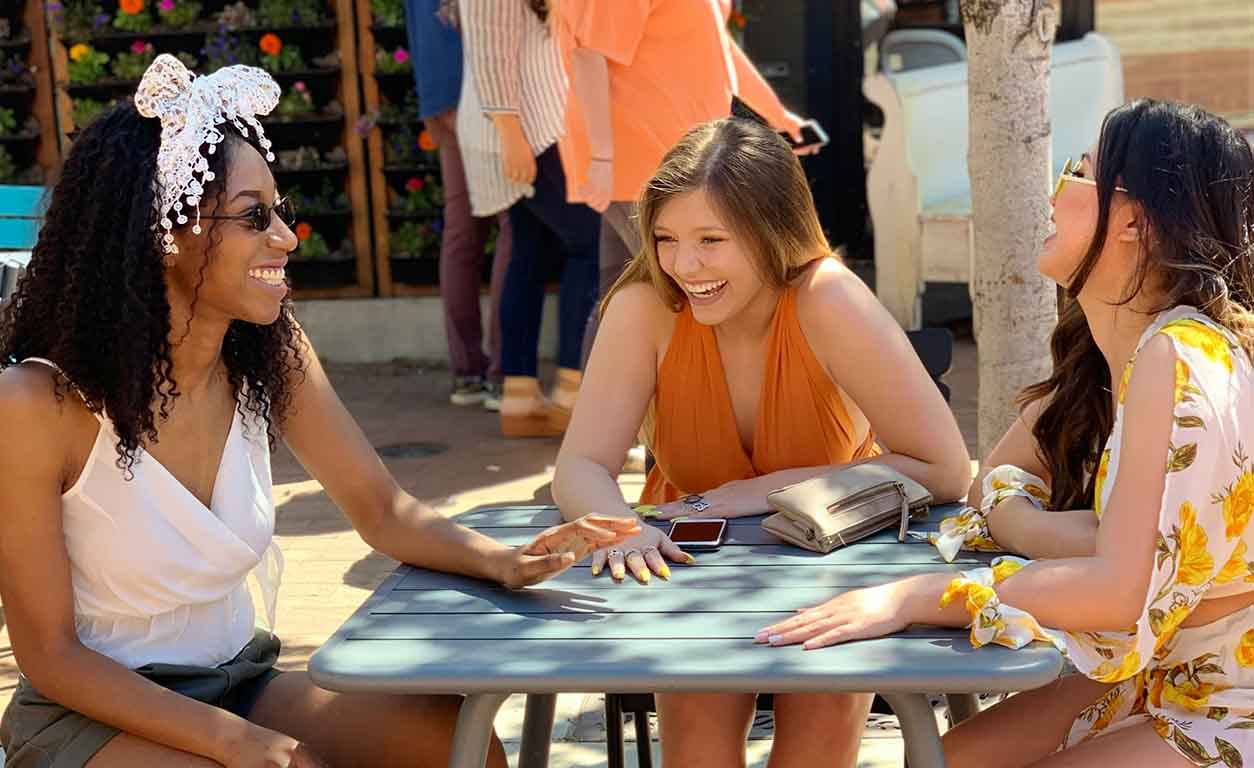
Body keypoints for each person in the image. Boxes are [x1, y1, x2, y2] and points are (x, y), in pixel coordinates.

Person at [0, 56, 639, 768]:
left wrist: (510, 561)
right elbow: (51, 657)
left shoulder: (268, 353)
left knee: (454, 743)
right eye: (254, 217)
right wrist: (239, 744)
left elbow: (382, 509)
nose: (287, 238)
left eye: (282, 212)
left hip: (236, 681)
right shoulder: (37, 404)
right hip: (91, 712)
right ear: (163, 233)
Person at [759, 99, 1254, 768]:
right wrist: (1059, 532)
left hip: (1225, 704)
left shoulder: (1176, 355)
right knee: (943, 758)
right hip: (1172, 682)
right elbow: (988, 487)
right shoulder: (1136, 349)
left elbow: (1118, 592)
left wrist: (922, 596)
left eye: (1078, 173)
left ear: (1134, 220)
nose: (1054, 193)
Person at [552, 117, 971, 767]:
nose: (684, 265)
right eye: (665, 238)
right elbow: (579, 463)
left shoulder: (828, 299)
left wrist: (756, 492)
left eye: (711, 240)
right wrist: (617, 528)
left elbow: (946, 468)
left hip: (837, 564)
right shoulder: (643, 306)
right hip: (691, 570)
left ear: (770, 231)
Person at [555, 0, 819, 366]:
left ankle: (599, 416)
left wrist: (779, 116)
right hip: (642, 168)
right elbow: (588, 55)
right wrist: (602, 157)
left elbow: (717, 48)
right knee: (681, 294)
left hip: (671, 165)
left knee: (625, 295)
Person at [457, 0, 601, 438]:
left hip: (530, 128)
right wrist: (511, 135)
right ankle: (573, 396)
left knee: (531, 252)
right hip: (527, 132)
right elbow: (489, 48)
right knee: (592, 245)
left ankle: (521, 399)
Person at [403, 0, 512, 410]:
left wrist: (429, 101)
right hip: (485, 91)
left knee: (462, 231)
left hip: (441, 92)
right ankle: (505, 370)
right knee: (513, 224)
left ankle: (469, 372)